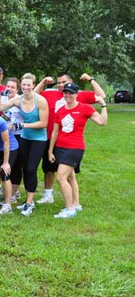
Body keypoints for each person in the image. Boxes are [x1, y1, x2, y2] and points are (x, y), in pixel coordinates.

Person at [35, 72, 106, 204]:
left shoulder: (77, 94)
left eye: (63, 82)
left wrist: (90, 79)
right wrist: (43, 81)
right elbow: (32, 95)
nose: (61, 85)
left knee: (68, 173)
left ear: (71, 82)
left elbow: (102, 95)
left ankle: (74, 202)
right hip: (51, 137)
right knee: (48, 168)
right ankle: (48, 195)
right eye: (59, 82)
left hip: (70, 142)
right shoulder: (51, 93)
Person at [48, 82, 107, 218]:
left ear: (76, 94)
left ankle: (69, 209)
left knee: (61, 177)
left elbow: (102, 122)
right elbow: (54, 133)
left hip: (75, 148)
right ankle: (76, 204)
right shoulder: (60, 110)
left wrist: (103, 105)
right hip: (60, 147)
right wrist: (50, 151)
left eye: (71, 93)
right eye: (65, 92)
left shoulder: (85, 108)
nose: (67, 95)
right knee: (70, 176)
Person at [0, 73, 48, 216]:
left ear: (33, 85)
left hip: (39, 139)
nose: (26, 87)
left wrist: (22, 125)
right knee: (25, 169)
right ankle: (27, 201)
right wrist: (1, 95)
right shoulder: (18, 100)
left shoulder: (41, 101)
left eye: (28, 85)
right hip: (25, 138)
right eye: (24, 85)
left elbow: (43, 123)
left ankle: (30, 203)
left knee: (31, 169)